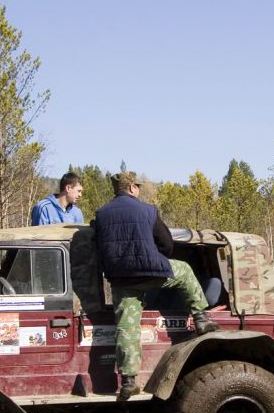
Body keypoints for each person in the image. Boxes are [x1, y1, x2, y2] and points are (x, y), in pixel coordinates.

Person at [94, 171, 220, 400]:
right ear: (132, 188)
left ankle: (128, 382)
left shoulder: (101, 214)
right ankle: (201, 318)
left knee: (126, 327)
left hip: (122, 279)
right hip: (151, 271)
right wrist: (156, 258)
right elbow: (166, 243)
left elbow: (98, 248)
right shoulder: (147, 210)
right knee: (185, 271)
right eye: (138, 186)